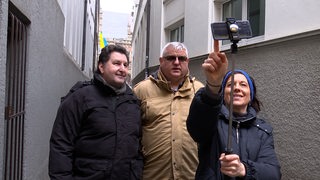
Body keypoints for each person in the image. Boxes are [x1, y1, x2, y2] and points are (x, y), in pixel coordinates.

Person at [187, 42, 281, 180]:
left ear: (251, 95)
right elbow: (197, 128)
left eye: (243, 84)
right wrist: (213, 86)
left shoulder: (263, 130)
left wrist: (243, 169)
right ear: (223, 94)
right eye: (230, 85)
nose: (237, 88)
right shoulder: (212, 122)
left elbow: (273, 173)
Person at [49, 44, 143, 180]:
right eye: (116, 63)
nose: (122, 69)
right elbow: (61, 144)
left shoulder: (132, 102)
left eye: (125, 65)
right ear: (101, 67)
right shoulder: (80, 97)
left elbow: (137, 145)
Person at [133, 42, 204, 179]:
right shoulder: (141, 90)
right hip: (153, 175)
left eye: (182, 59)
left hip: (191, 175)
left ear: (187, 62)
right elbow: (130, 134)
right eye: (171, 58)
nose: (177, 62)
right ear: (161, 61)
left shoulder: (199, 91)